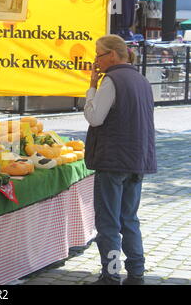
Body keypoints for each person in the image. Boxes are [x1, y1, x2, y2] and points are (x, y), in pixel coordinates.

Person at [84, 34, 157, 285]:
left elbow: (95, 118)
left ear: (112, 55)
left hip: (113, 160)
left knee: (109, 222)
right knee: (129, 219)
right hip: (137, 160)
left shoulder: (111, 80)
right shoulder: (141, 80)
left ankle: (111, 274)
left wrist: (91, 87)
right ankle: (136, 272)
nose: (96, 61)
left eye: (98, 55)